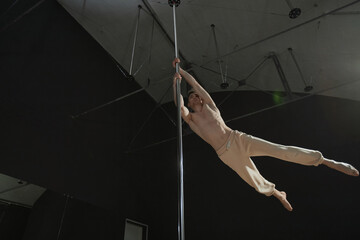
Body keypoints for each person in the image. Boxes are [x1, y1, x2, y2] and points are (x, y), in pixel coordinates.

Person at [172, 58, 359, 211]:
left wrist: (182, 71)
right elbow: (178, 104)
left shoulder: (211, 106)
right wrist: (176, 81)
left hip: (238, 138)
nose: (194, 97)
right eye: (191, 97)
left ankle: (324, 161)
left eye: (196, 95)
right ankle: (277, 193)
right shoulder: (191, 119)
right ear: (189, 103)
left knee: (278, 149)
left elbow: (195, 84)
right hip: (226, 153)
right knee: (254, 180)